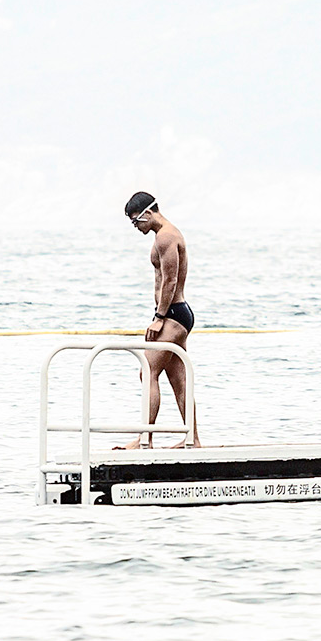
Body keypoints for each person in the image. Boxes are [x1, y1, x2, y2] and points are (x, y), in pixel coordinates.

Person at [122, 191, 200, 448]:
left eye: (137, 221)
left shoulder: (166, 236)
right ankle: (193, 439)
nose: (136, 227)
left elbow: (170, 280)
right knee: (179, 381)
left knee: (148, 371)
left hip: (172, 314)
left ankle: (145, 438)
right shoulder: (164, 235)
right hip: (175, 314)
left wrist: (159, 317)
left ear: (148, 212)